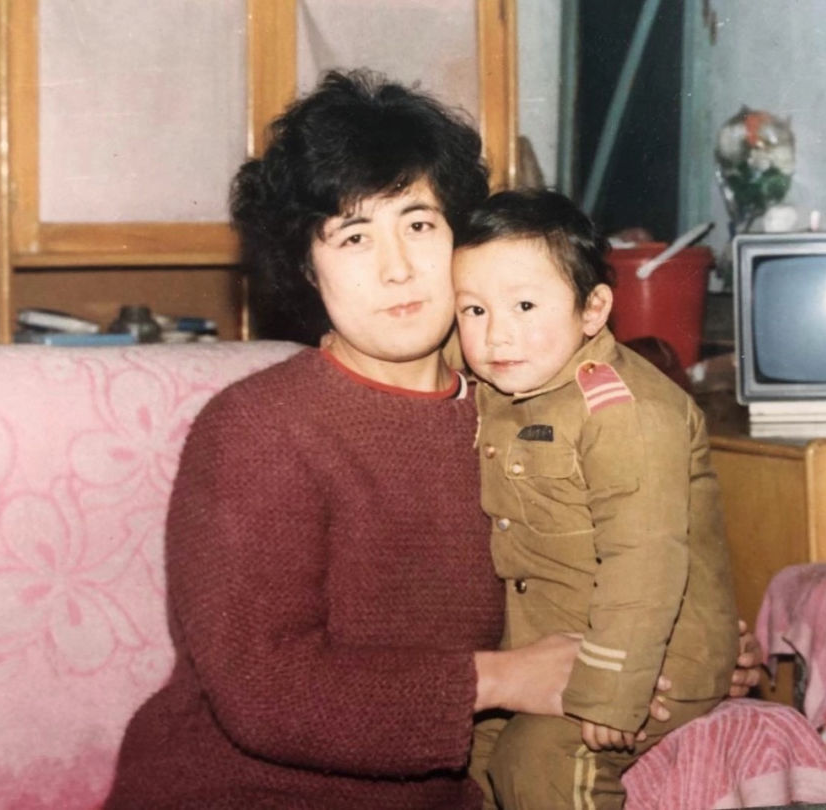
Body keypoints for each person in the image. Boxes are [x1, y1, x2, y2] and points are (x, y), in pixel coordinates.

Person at [105, 70, 760, 810]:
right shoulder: (255, 431)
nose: (398, 269)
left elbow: (597, 573)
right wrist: (500, 680)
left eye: (419, 225)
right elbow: (264, 689)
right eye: (355, 237)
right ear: (307, 268)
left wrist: (695, 652)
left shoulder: (522, 409)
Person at [453, 189, 738, 810]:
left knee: (539, 763)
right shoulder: (506, 378)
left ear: (593, 310)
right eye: (473, 309)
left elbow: (645, 561)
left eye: (525, 305)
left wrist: (611, 691)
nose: (497, 333)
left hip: (652, 655)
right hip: (546, 646)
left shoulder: (624, 413)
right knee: (465, 763)